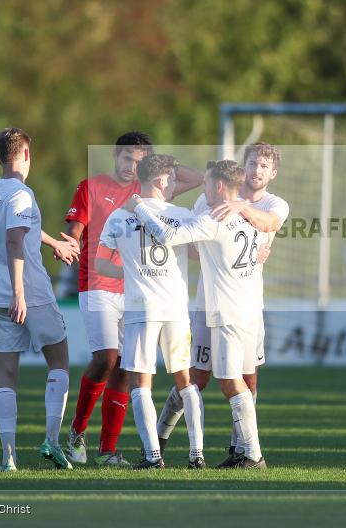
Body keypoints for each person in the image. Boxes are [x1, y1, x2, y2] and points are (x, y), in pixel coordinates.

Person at [63, 133, 202, 466]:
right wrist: (68, 244)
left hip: (137, 292)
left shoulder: (149, 190)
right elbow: (75, 231)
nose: (132, 166)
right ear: (115, 156)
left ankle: (107, 451)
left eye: (140, 161)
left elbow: (196, 179)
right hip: (98, 285)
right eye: (127, 158)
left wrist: (162, 164)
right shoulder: (91, 187)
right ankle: (77, 433)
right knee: (106, 358)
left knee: (128, 370)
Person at [154, 143, 288, 468]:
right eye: (252, 163)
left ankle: (247, 452)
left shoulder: (243, 211)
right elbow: (200, 248)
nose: (257, 170)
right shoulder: (216, 209)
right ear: (243, 169)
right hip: (215, 303)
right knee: (196, 377)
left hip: (236, 307)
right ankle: (158, 441)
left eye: (264, 165)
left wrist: (144, 208)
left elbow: (270, 222)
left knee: (236, 379)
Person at [133, 160, 267, 469]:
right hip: (248, 309)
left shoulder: (214, 218)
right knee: (231, 380)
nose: (203, 189)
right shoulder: (247, 215)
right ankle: (248, 453)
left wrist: (140, 207)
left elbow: (166, 236)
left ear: (219, 186)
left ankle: (253, 455)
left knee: (230, 382)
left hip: (228, 312)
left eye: (206, 183)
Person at [97, 154, 205, 469]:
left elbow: (101, 263)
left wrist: (131, 273)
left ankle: (153, 455)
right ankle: (196, 454)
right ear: (161, 180)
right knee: (185, 380)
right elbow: (197, 254)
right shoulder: (181, 214)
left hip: (141, 309)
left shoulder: (119, 216)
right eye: (171, 178)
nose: (174, 184)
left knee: (140, 382)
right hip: (175, 308)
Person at [0, 127, 80, 471]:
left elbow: (23, 229)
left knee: (6, 376)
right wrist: (20, 294)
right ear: (26, 153)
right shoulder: (22, 193)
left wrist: (55, 243)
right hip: (29, 292)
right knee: (59, 360)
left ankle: (8, 458)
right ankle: (51, 440)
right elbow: (14, 240)